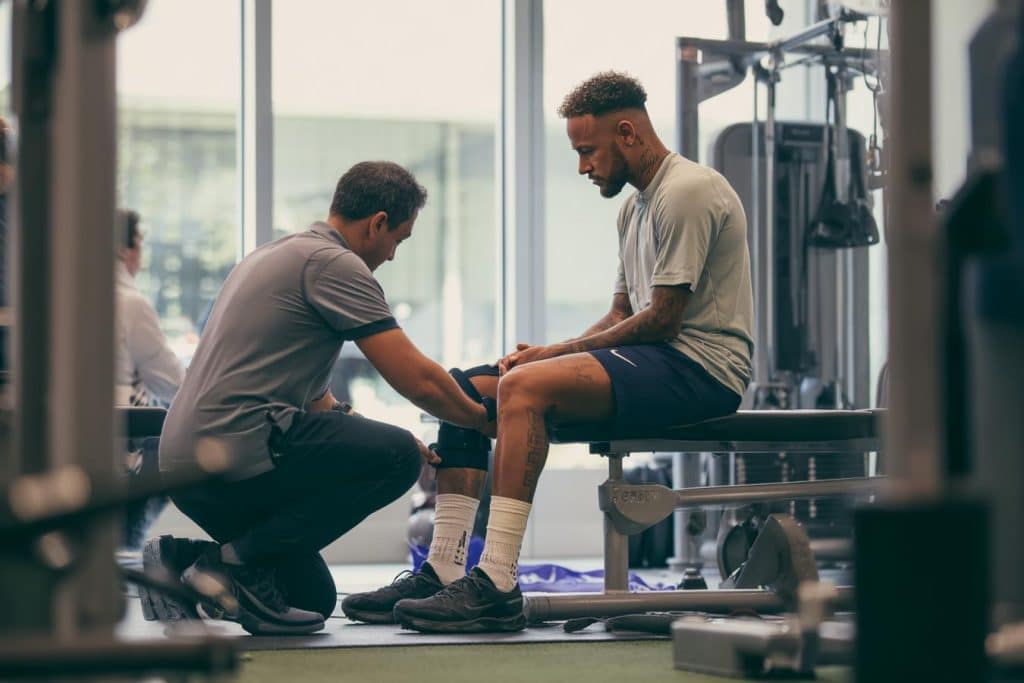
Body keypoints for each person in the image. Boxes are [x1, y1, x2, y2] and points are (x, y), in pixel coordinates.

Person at [343, 71, 754, 633]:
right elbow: (619, 315)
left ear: (629, 132)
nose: (583, 166)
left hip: (702, 369)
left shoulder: (687, 191)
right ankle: (442, 568)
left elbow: (662, 320)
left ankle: (497, 583)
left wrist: (547, 361)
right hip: (660, 360)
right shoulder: (634, 210)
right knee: (463, 388)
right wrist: (547, 354)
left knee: (522, 386)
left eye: (588, 151)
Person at [148, 161, 493, 636]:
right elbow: (418, 380)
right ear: (377, 223)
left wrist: (361, 428)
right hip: (233, 453)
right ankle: (232, 564)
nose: (392, 256)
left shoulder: (274, 255)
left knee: (311, 599)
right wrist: (480, 419)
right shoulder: (335, 264)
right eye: (399, 239)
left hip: (186, 465)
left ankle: (186, 563)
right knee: (394, 457)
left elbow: (316, 401)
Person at [115, 209, 186, 550]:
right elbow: (172, 383)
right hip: (123, 443)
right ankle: (130, 539)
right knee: (188, 448)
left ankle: (127, 539)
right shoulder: (130, 304)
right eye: (139, 243)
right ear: (123, 249)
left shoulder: (63, 296)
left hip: (76, 439)